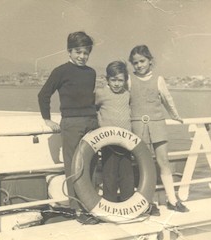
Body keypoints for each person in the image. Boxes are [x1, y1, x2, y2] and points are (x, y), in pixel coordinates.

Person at [38, 31, 100, 224]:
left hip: (91, 122)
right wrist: (48, 120)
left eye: (86, 53)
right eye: (78, 52)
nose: (82, 56)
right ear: (69, 51)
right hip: (71, 123)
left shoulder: (91, 73)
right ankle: (78, 211)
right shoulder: (60, 71)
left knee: (90, 163)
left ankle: (91, 206)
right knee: (73, 166)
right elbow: (43, 95)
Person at [128, 45, 189, 213]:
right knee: (145, 165)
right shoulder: (128, 79)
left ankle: (172, 200)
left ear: (150, 61)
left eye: (142, 61)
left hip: (157, 125)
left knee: (163, 162)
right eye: (135, 63)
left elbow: (167, 99)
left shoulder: (158, 79)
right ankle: (149, 202)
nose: (139, 65)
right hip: (138, 126)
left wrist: (175, 115)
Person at [95, 61, 135, 202]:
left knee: (127, 174)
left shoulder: (128, 95)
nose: (117, 84)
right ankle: (110, 202)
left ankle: (128, 202)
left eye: (120, 80)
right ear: (107, 79)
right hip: (108, 142)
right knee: (109, 174)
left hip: (126, 142)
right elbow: (94, 108)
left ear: (125, 80)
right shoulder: (100, 93)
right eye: (113, 80)